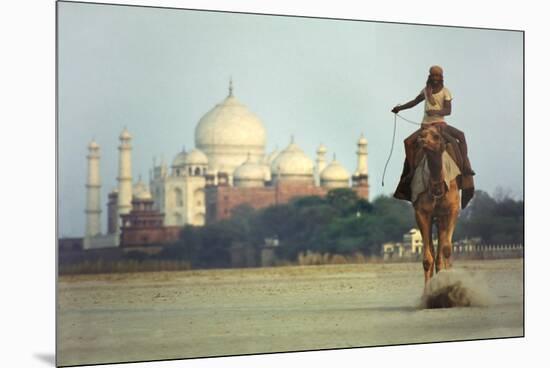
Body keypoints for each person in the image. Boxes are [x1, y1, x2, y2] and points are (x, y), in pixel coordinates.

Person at [391, 65, 475, 201]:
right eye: (433, 76)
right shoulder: (426, 90)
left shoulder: (446, 92)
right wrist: (399, 108)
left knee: (459, 137)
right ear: (430, 77)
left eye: (437, 76)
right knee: (407, 142)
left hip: (440, 126)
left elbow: (448, 111)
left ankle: (464, 168)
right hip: (425, 127)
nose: (435, 79)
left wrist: (435, 112)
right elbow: (414, 102)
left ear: (441, 78)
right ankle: (411, 171)